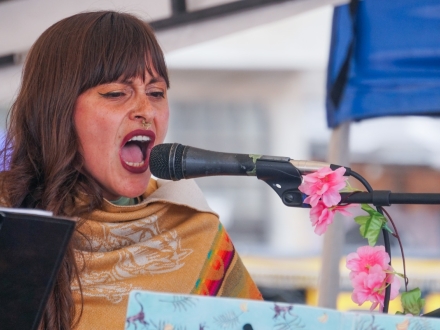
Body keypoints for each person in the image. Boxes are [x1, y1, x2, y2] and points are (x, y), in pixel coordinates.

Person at [0, 11, 262, 330]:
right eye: (115, 94)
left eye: (156, 93)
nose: (146, 111)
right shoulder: (8, 221)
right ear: (55, 110)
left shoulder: (197, 233)